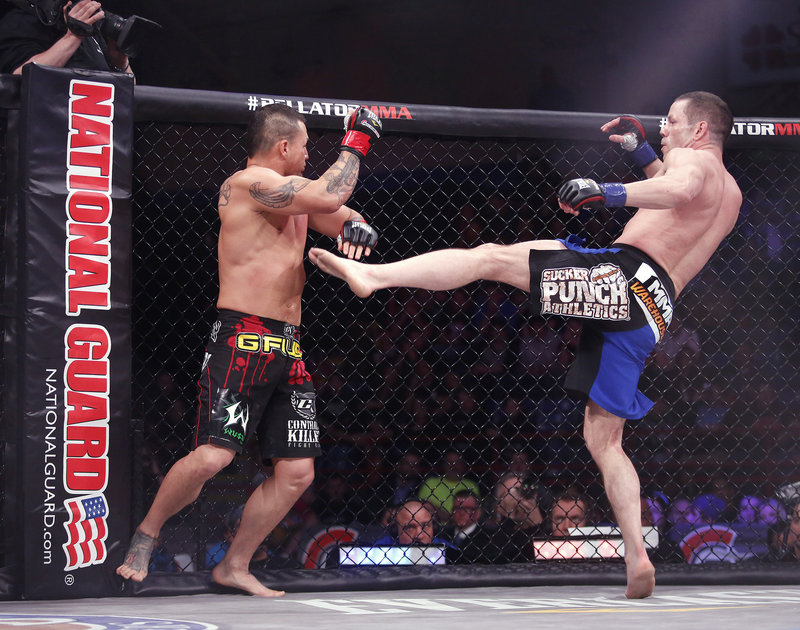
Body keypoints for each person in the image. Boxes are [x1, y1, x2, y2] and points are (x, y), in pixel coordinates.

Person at [309, 91, 742, 598]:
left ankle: (373, 277)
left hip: (618, 279)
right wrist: (641, 152)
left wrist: (604, 191)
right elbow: (677, 194)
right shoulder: (730, 193)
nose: (662, 128)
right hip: (652, 306)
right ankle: (638, 558)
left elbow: (679, 186)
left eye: (671, 122)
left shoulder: (691, 163)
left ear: (699, 132)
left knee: (490, 257)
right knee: (605, 442)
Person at [116, 103, 382, 597]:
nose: (307, 155)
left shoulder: (293, 198)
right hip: (242, 338)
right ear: (284, 147)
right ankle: (148, 531)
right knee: (214, 456)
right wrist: (357, 140)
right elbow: (329, 192)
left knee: (298, 472)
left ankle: (234, 565)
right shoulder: (247, 184)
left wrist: (356, 224)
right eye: (304, 147)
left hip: (288, 345)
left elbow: (336, 209)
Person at [0, 0, 134, 76]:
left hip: (100, 121)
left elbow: (131, 89)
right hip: (53, 121)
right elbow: (20, 76)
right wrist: (73, 37)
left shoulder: (92, 29)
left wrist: (120, 64)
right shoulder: (20, 22)